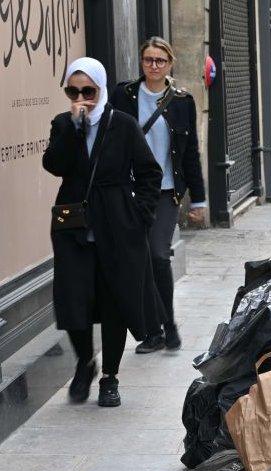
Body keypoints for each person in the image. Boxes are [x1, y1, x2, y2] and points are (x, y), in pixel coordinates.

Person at [43, 57, 164, 407]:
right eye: (74, 90)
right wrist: (72, 129)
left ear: (101, 88)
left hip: (117, 227)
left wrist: (139, 215)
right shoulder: (63, 124)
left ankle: (109, 377)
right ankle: (85, 362)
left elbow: (149, 173)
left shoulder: (122, 125)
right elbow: (54, 165)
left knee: (114, 304)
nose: (82, 97)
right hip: (73, 227)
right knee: (72, 299)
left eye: (89, 90)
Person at [109, 36, 206, 355]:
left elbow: (190, 152)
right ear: (141, 62)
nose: (153, 66)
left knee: (157, 255)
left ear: (170, 63)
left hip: (165, 192)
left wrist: (199, 201)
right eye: (148, 60)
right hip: (129, 191)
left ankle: (169, 325)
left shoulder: (181, 101)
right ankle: (152, 332)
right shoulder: (124, 95)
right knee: (138, 263)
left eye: (160, 61)